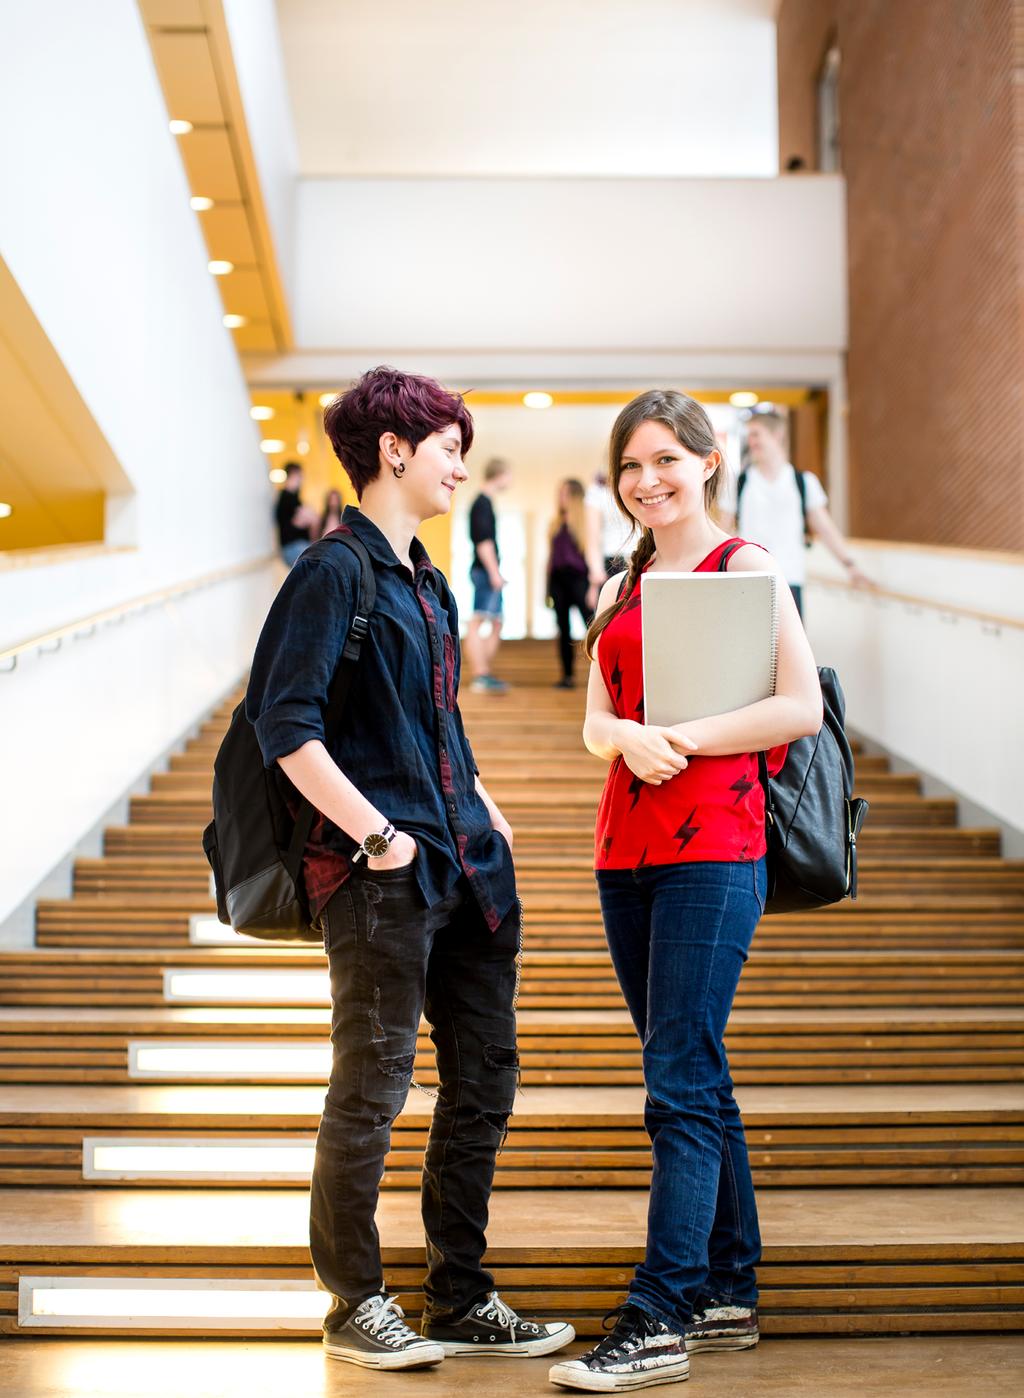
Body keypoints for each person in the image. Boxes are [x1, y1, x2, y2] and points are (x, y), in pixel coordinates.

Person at [246, 367, 573, 1373]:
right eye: (446, 445)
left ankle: (460, 1296)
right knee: (372, 1090)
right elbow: (284, 727)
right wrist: (377, 836)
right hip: (381, 880)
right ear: (394, 448)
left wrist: (488, 807)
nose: (458, 463)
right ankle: (355, 1304)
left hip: (469, 872)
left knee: (483, 1081)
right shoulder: (331, 571)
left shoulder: (424, 577)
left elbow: (440, 722)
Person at [548, 390, 821, 1393]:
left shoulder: (741, 567)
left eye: (665, 459)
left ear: (707, 462)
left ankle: (657, 1312)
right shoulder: (624, 583)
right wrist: (622, 736)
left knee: (676, 1080)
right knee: (691, 1068)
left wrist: (682, 740)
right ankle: (725, 1289)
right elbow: (593, 719)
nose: (645, 481)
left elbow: (797, 705)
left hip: (715, 844)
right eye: (629, 466)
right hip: (624, 851)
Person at [721, 410, 871, 617]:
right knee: (750, 648)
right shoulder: (739, 483)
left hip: (790, 579)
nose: (751, 441)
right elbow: (722, 530)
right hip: (748, 579)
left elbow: (825, 528)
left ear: (777, 435)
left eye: (756, 434)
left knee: (789, 648)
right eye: (749, 435)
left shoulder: (804, 482)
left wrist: (850, 565)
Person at [465, 457, 512, 693]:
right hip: (484, 572)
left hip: (487, 571)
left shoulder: (486, 503)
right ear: (500, 474)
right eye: (509, 475)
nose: (510, 480)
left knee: (495, 622)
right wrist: (494, 573)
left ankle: (484, 672)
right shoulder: (481, 503)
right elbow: (483, 542)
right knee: (477, 621)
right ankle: (480, 675)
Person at [547, 478, 593, 689]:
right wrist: (546, 588)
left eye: (564, 493)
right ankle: (567, 676)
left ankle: (602, 672)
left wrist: (593, 585)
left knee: (591, 626)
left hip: (579, 579)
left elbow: (591, 554)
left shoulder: (585, 522)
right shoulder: (555, 523)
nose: (560, 497)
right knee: (563, 629)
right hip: (558, 580)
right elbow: (550, 557)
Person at [584, 471, 635, 612]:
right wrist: (596, 575)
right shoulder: (597, 492)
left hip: (642, 559)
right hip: (612, 564)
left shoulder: (638, 485)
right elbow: (593, 538)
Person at [275, 462, 318, 567]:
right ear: (293, 474)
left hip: (298, 545)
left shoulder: (294, 497)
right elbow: (300, 521)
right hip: (293, 546)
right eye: (300, 476)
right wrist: (309, 517)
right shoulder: (286, 497)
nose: (301, 479)